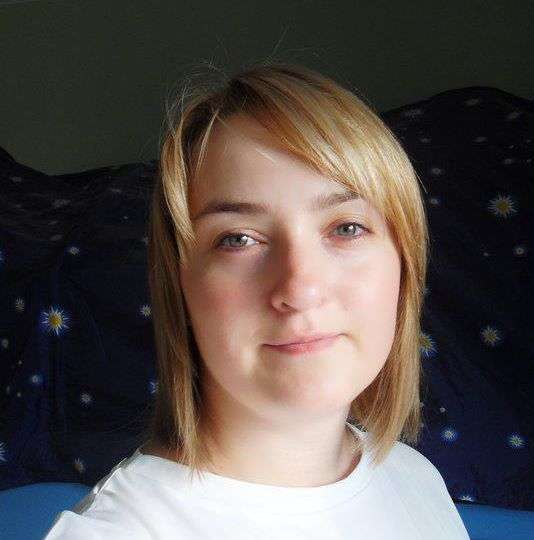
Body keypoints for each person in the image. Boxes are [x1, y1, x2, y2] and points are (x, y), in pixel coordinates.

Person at [44, 60, 470, 539]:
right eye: (239, 239)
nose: (300, 289)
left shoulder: (413, 479)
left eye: (347, 228)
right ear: (179, 285)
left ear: (404, 266)